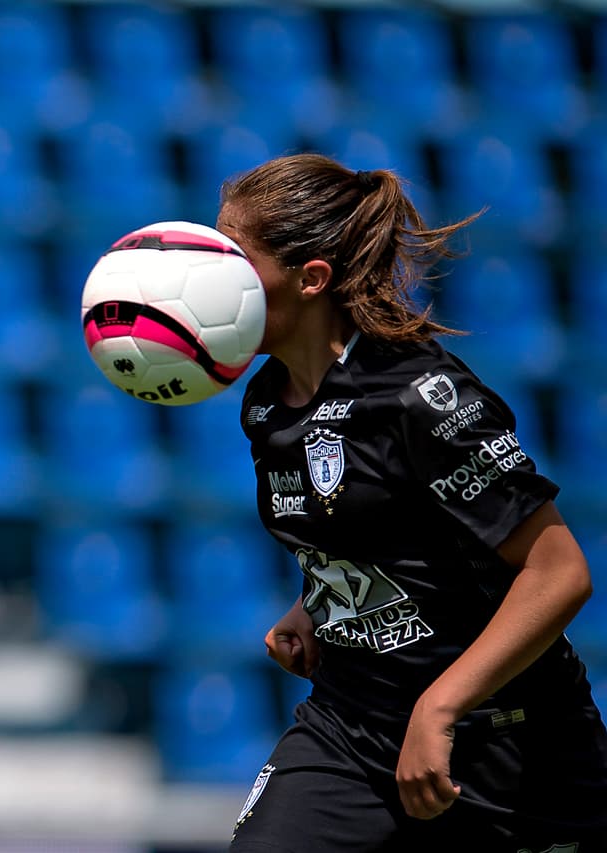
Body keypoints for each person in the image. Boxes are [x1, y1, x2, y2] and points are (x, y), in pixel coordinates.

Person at [217, 153, 607, 852]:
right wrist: (320, 602)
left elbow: (558, 571)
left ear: (311, 279)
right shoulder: (264, 402)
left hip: (509, 749)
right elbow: (372, 529)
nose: (210, 282)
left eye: (232, 263)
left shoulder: (420, 398)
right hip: (350, 726)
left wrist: (442, 703)